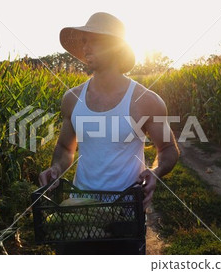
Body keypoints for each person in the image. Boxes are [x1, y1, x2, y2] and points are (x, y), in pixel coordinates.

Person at [38, 12, 179, 254]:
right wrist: (57, 169)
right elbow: (64, 148)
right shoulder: (72, 99)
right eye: (83, 41)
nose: (85, 46)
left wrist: (155, 171)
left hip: (125, 213)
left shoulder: (145, 101)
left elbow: (168, 150)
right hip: (79, 209)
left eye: (93, 39)